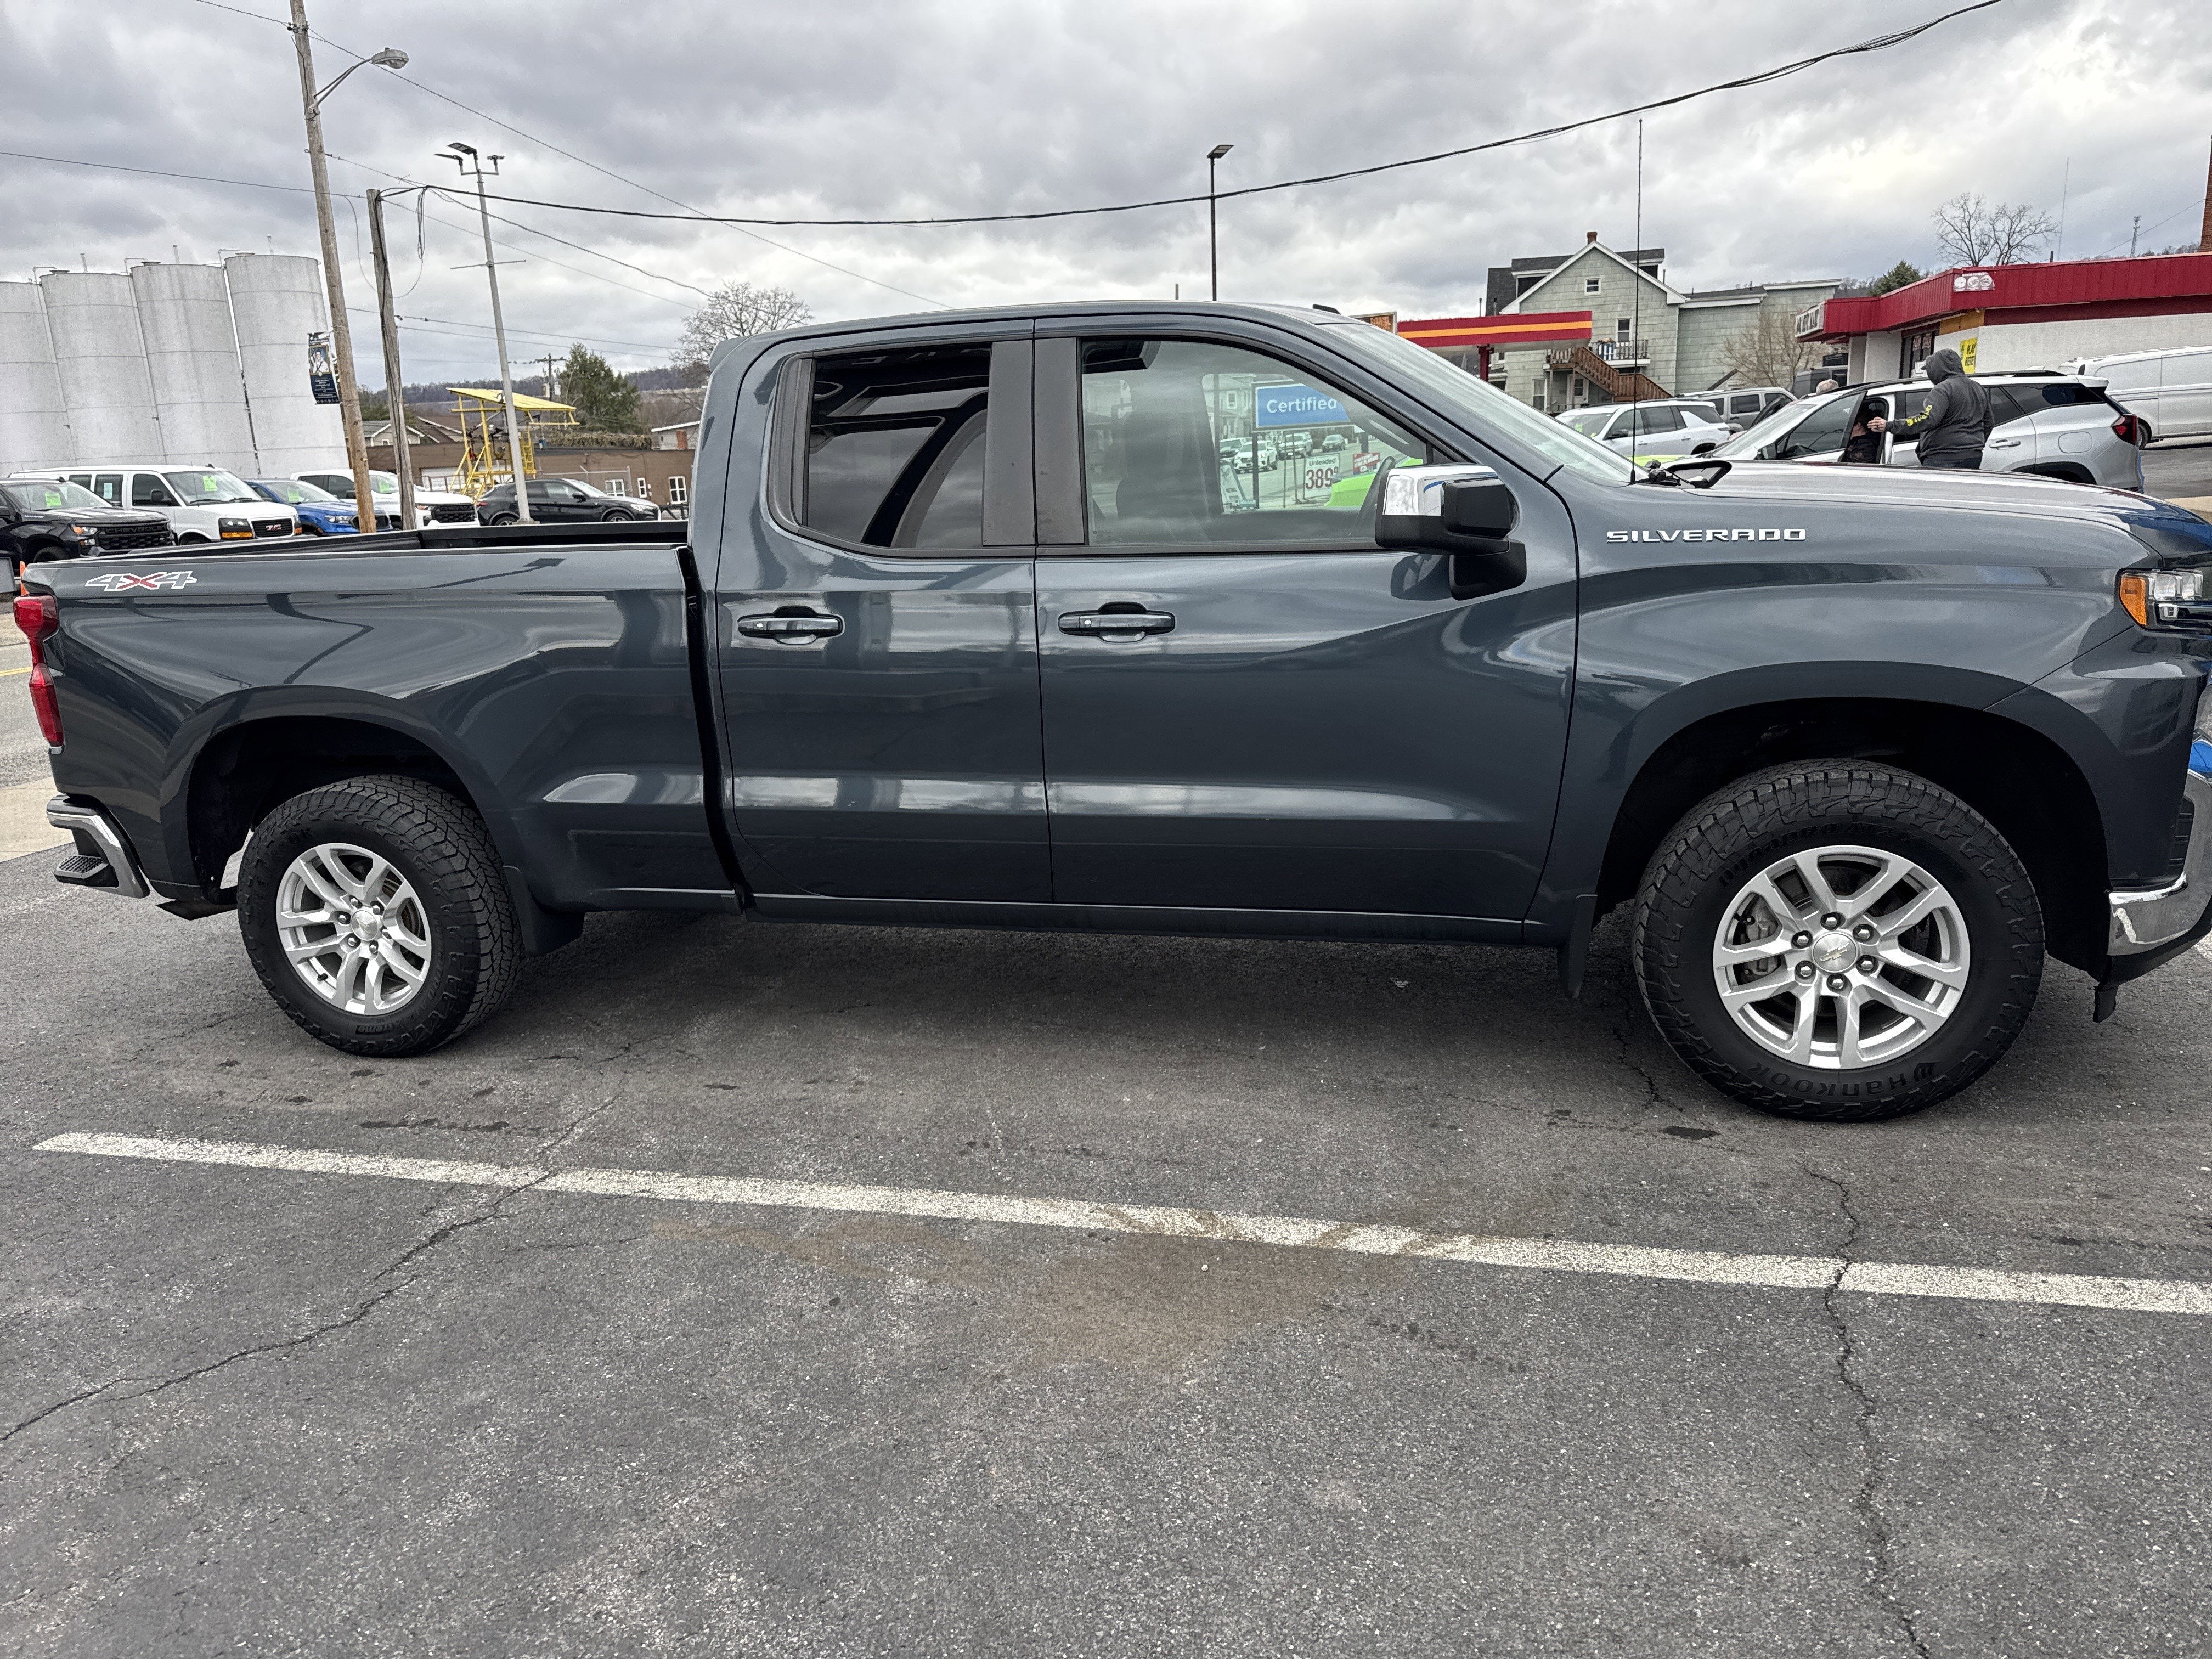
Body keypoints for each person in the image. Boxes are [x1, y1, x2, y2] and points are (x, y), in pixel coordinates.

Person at [1892, 348, 1992, 469]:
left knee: (1939, 489)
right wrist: (1973, 444)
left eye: (1930, 370)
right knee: (1962, 488)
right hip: (1973, 455)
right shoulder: (1978, 388)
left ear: (1937, 369)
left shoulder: (1942, 389)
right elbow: (1989, 423)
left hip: (1943, 457)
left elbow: (1927, 419)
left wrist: (1891, 425)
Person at [1842, 396, 1888, 465]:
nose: (1845, 429)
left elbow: (1853, 467)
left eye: (1848, 425)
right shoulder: (1855, 441)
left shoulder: (1867, 446)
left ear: (1858, 426)